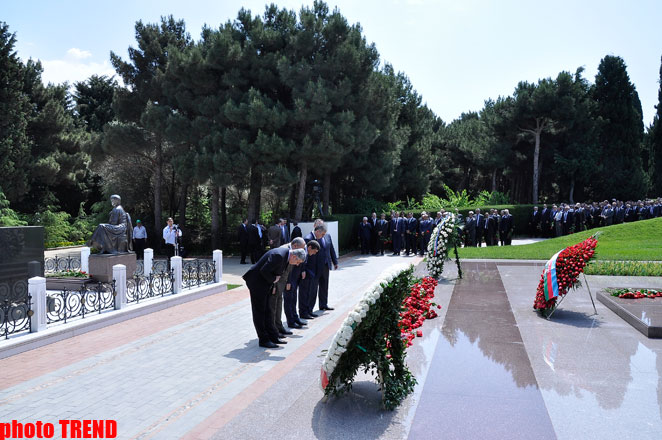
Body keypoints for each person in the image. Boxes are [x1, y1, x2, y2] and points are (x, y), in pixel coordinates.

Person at [242, 247, 306, 348]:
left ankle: (273, 336)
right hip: (257, 283)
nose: (297, 264)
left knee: (268, 310)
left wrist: (273, 284)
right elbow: (264, 270)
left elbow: (275, 273)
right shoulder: (279, 256)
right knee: (260, 312)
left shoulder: (286, 256)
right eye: (298, 261)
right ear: (294, 256)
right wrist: (273, 280)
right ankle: (263, 340)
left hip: (266, 283)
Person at [284, 239, 319, 329]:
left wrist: (303, 270)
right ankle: (290, 321)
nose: (303, 250)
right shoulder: (288, 251)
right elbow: (287, 268)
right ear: (295, 245)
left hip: (295, 278)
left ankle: (295, 318)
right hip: (289, 279)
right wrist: (288, 281)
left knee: (294, 299)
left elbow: (302, 262)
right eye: (303, 247)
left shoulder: (299, 251)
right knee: (289, 300)